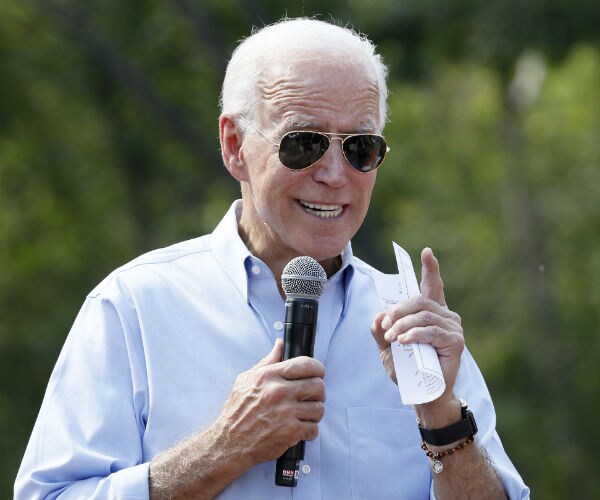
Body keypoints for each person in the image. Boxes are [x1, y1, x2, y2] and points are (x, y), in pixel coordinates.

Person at [15, 18, 529, 500]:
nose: (333, 173)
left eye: (360, 148)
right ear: (234, 145)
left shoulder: (415, 328)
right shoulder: (133, 308)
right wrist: (220, 450)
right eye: (303, 143)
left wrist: (440, 414)